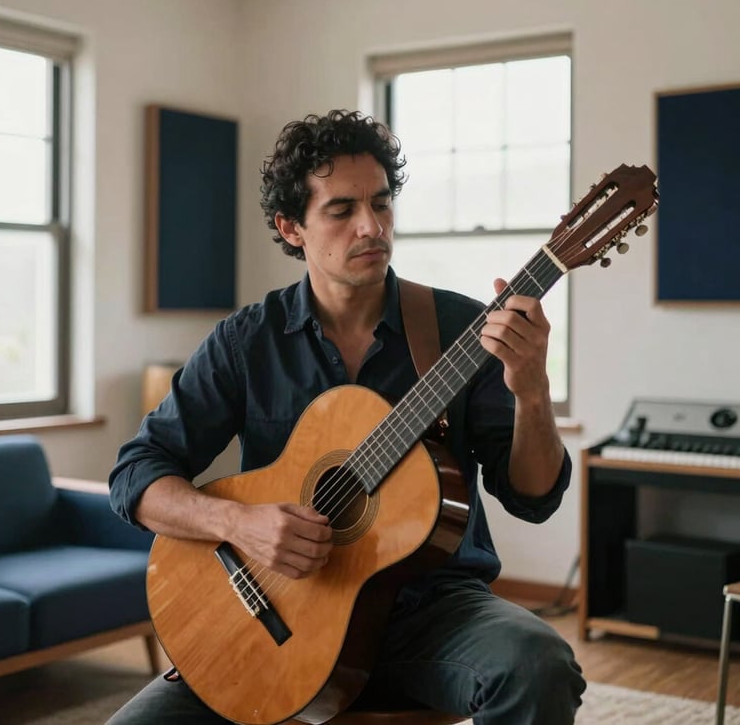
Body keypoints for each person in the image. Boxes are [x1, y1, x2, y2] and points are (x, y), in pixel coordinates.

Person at [108, 108, 586, 724]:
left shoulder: (460, 330)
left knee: (538, 662)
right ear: (292, 227)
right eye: (342, 210)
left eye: (381, 204)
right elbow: (135, 477)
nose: (372, 226)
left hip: (433, 615)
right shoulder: (247, 341)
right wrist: (239, 522)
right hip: (274, 614)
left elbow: (533, 498)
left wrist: (531, 392)